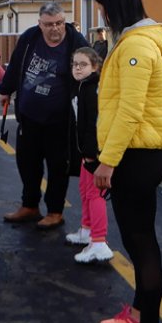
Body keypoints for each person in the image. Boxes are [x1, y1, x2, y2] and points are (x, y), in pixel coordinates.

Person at [93, 0, 162, 323]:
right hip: (134, 155)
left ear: (114, 5)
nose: (101, 15)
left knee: (142, 244)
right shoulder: (130, 43)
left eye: (102, 7)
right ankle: (140, 314)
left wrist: (107, 161)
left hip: (136, 157)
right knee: (135, 240)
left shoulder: (137, 48)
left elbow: (129, 112)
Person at [0, 2, 88, 229]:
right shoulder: (30, 38)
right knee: (27, 163)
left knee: (58, 166)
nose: (55, 28)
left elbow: (89, 75)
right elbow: (16, 63)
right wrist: (5, 89)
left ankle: (55, 211)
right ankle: (29, 206)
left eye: (59, 23)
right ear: (40, 24)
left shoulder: (76, 43)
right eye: (48, 24)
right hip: (29, 116)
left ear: (64, 20)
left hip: (60, 120)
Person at [66, 46, 113, 263]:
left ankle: (100, 241)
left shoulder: (93, 89)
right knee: (84, 190)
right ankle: (86, 230)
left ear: (94, 66)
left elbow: (96, 124)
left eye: (83, 64)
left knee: (95, 195)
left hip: (93, 153)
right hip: (84, 151)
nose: (77, 68)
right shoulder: (81, 86)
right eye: (75, 64)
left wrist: (92, 153)